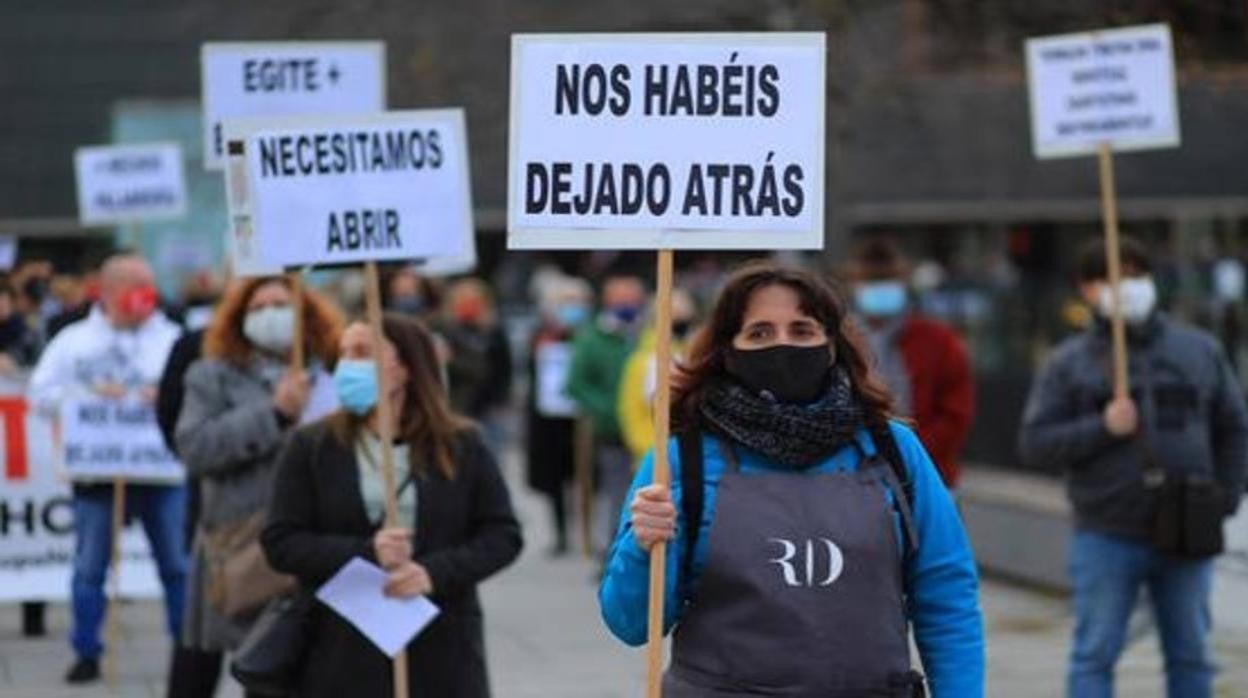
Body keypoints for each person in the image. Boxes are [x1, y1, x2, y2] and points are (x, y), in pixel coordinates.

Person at [599, 262, 983, 697]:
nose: (782, 345)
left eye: (802, 330)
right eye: (759, 333)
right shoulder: (681, 457)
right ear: (727, 349)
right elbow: (630, 624)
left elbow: (946, 596)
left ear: (832, 344)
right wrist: (643, 545)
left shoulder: (891, 448)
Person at [1019, 237, 1248, 698]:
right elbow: (1036, 444)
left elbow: (1234, 427)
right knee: (1095, 654)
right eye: (1112, 277)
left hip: (1188, 530)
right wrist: (1102, 427)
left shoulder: (1198, 350)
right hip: (1106, 532)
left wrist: (1225, 496)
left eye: (1137, 275)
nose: (1129, 287)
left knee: (1192, 654)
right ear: (1087, 289)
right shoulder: (1069, 363)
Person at [261, 313, 523, 697]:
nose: (347, 364)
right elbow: (281, 542)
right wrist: (366, 551)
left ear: (406, 368)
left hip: (441, 646)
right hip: (340, 649)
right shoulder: (312, 445)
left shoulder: (461, 444)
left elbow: (502, 535)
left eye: (363, 352)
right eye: (343, 354)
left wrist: (433, 572)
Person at [173, 276, 343, 697]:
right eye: (259, 307)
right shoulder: (211, 376)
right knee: (264, 667)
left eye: (280, 304)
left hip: (322, 544)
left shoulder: (336, 372)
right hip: (248, 546)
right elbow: (196, 447)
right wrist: (275, 414)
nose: (270, 315)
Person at [27, 252, 187, 684]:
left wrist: (164, 397)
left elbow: (195, 394)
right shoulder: (73, 342)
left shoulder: (173, 338)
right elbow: (41, 395)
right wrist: (88, 395)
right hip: (98, 474)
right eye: (137, 287)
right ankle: (86, 651)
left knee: (177, 565)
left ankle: (188, 648)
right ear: (111, 292)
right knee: (90, 568)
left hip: (161, 473)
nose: (147, 296)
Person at [848, 238, 974, 489]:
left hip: (930, 476)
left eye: (887, 281)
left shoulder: (938, 341)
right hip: (856, 477)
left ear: (903, 283)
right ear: (855, 286)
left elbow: (956, 413)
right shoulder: (842, 339)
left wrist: (909, 452)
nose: (879, 289)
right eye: (871, 282)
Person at [567, 274, 646, 552]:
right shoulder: (592, 338)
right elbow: (576, 383)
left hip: (648, 431)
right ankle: (614, 551)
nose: (626, 303)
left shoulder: (647, 333)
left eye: (631, 297)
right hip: (611, 430)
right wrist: (608, 409)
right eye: (620, 298)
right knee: (618, 493)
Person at [525, 275, 593, 555]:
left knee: (586, 478)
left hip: (583, 417)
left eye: (577, 303)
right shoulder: (541, 335)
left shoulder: (590, 335)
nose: (572, 308)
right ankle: (561, 535)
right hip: (549, 420)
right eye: (566, 303)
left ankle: (588, 534)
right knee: (555, 481)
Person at [617, 288, 698, 466]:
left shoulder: (694, 357)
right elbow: (630, 412)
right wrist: (652, 450)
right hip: (653, 458)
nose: (681, 323)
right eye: (675, 317)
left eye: (685, 317)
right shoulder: (643, 361)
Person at [436, 278, 513, 445]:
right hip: (456, 406)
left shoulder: (494, 332)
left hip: (487, 407)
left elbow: (504, 368)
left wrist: (501, 400)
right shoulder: (445, 331)